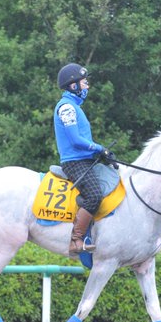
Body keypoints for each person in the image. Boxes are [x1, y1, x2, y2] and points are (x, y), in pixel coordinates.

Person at [53, 63, 113, 256]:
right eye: (84, 82)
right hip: (74, 162)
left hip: (84, 160)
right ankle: (76, 240)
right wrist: (99, 148)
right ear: (73, 86)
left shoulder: (75, 107)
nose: (87, 86)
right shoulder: (67, 108)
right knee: (94, 195)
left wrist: (100, 154)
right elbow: (76, 140)